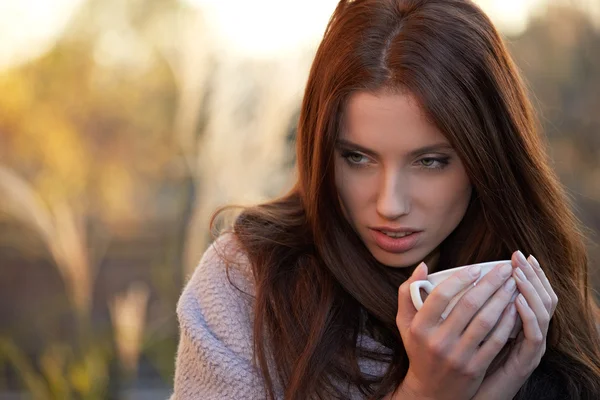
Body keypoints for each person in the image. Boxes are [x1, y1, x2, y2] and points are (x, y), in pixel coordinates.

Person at [170, 0, 600, 399]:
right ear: (322, 151)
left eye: (430, 162)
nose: (390, 204)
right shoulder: (247, 284)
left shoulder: (540, 299)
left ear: (487, 157)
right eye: (357, 158)